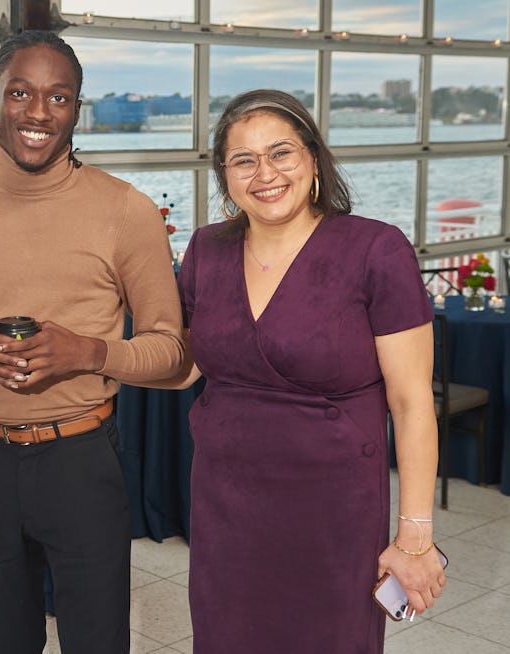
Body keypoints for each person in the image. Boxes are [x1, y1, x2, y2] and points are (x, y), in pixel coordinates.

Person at [0, 30, 186, 654]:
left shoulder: (126, 212)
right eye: (21, 92)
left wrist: (88, 353)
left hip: (81, 460)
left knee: (97, 642)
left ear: (78, 109)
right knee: (7, 642)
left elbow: (172, 353)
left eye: (59, 97)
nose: (38, 112)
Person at [176, 89, 445, 653]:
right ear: (224, 176)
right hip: (226, 505)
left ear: (314, 160)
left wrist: (415, 534)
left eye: (281, 153)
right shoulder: (205, 250)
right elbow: (183, 367)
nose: (264, 174)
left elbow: (412, 401)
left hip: (333, 510)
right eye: (243, 160)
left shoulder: (375, 249)